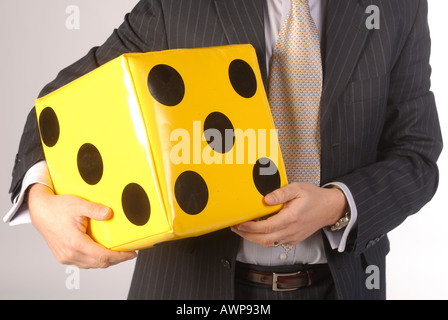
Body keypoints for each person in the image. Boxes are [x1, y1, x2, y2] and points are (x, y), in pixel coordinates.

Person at [4, 0, 442, 300]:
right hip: (192, 287)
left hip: (339, 286)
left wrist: (336, 204)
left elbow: (417, 154)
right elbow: (63, 100)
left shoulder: (395, 8)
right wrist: (41, 199)